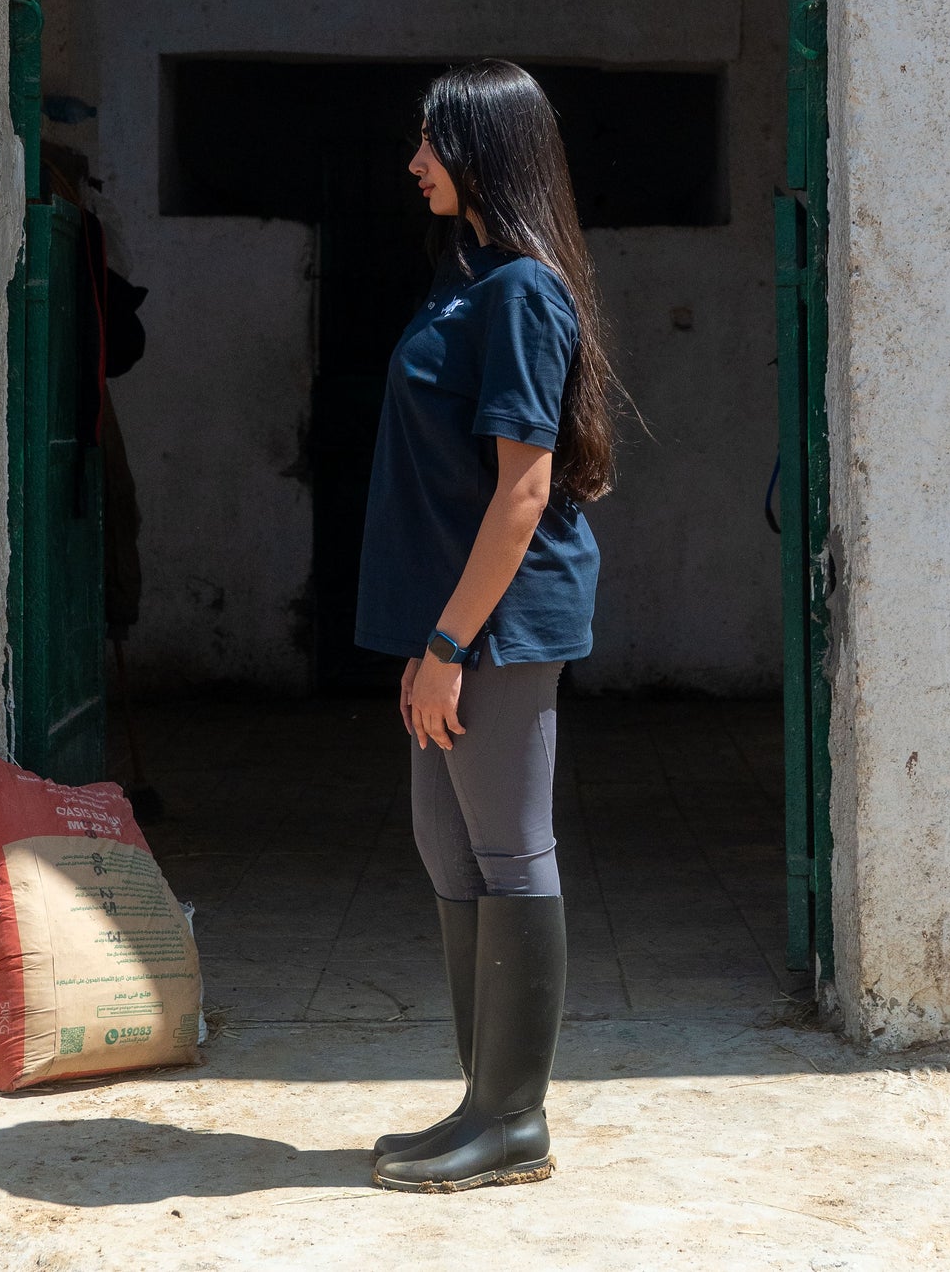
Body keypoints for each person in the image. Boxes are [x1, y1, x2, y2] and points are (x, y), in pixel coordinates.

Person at [354, 60, 621, 1192]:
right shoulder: (465, 279)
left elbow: (522, 490)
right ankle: (479, 1103)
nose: (413, 161)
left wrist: (452, 644)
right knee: (447, 847)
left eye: (431, 141)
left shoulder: (520, 289)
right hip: (452, 620)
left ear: (486, 153)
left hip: (500, 623)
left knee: (509, 851)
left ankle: (513, 1121)